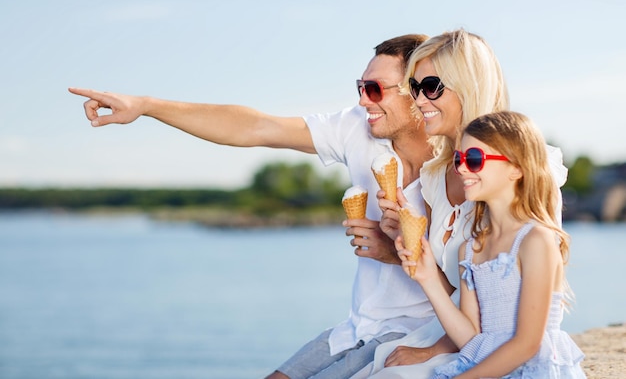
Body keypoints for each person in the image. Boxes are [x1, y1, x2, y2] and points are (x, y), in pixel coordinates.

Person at [68, 34, 438, 378]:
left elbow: (478, 278)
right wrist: (146, 106)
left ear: (417, 93)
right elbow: (256, 126)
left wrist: (395, 252)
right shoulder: (357, 127)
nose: (362, 101)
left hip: (418, 334)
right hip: (356, 327)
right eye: (360, 88)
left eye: (374, 90)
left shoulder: (462, 165)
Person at [352, 29, 568, 378]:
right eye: (415, 88)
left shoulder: (530, 166)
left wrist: (434, 351)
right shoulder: (436, 177)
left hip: (481, 353)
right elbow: (460, 295)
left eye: (431, 86)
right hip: (460, 338)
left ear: (468, 85)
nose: (419, 100)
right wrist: (404, 245)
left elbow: (525, 330)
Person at [400, 111, 586, 378]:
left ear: (516, 168)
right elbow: (471, 339)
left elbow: (527, 345)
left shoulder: (535, 241)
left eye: (474, 159)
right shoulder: (470, 249)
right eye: (458, 159)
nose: (462, 168)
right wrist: (428, 279)